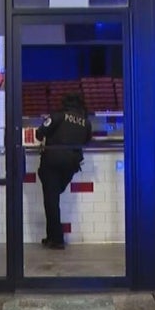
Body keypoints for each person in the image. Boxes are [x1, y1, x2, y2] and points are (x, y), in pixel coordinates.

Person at [36, 92, 93, 249]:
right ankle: (51, 236)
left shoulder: (58, 116)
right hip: (71, 165)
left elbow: (40, 133)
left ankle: (57, 239)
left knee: (51, 201)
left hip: (52, 162)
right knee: (53, 199)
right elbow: (87, 141)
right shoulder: (85, 122)